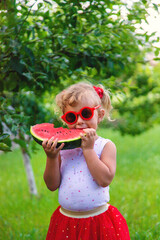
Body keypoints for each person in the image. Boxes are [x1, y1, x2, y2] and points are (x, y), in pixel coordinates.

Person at [42, 82, 130, 240]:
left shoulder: (105, 146)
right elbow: (51, 185)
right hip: (66, 221)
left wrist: (88, 150)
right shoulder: (63, 149)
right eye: (71, 116)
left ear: (100, 115)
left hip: (98, 221)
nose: (79, 121)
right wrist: (52, 157)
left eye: (86, 114)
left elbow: (104, 180)